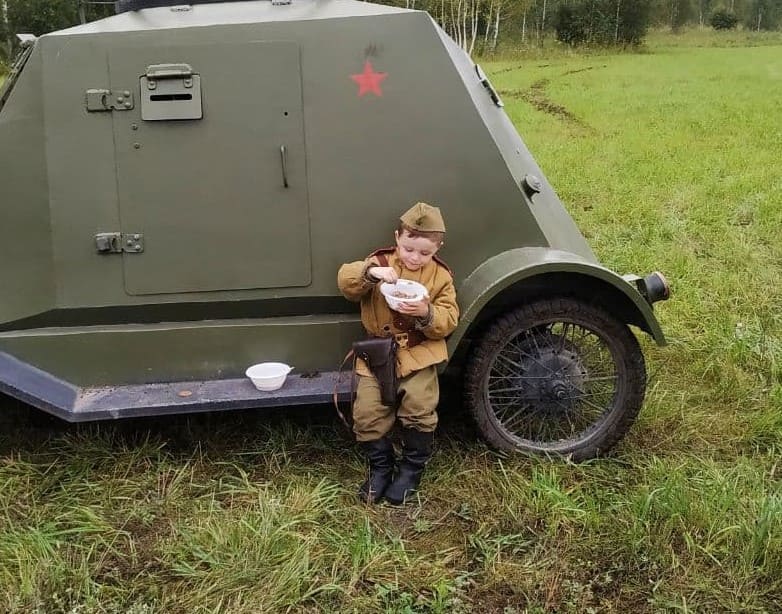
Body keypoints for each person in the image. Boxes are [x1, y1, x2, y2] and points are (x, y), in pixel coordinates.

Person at [337, 202, 459, 505]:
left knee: (419, 408)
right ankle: (380, 468)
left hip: (418, 352)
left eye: (425, 253)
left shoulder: (440, 276)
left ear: (437, 248)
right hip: (377, 355)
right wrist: (372, 273)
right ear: (397, 238)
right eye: (408, 249)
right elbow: (346, 281)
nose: (415, 258)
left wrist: (426, 313)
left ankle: (410, 471)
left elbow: (449, 318)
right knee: (365, 414)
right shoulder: (379, 261)